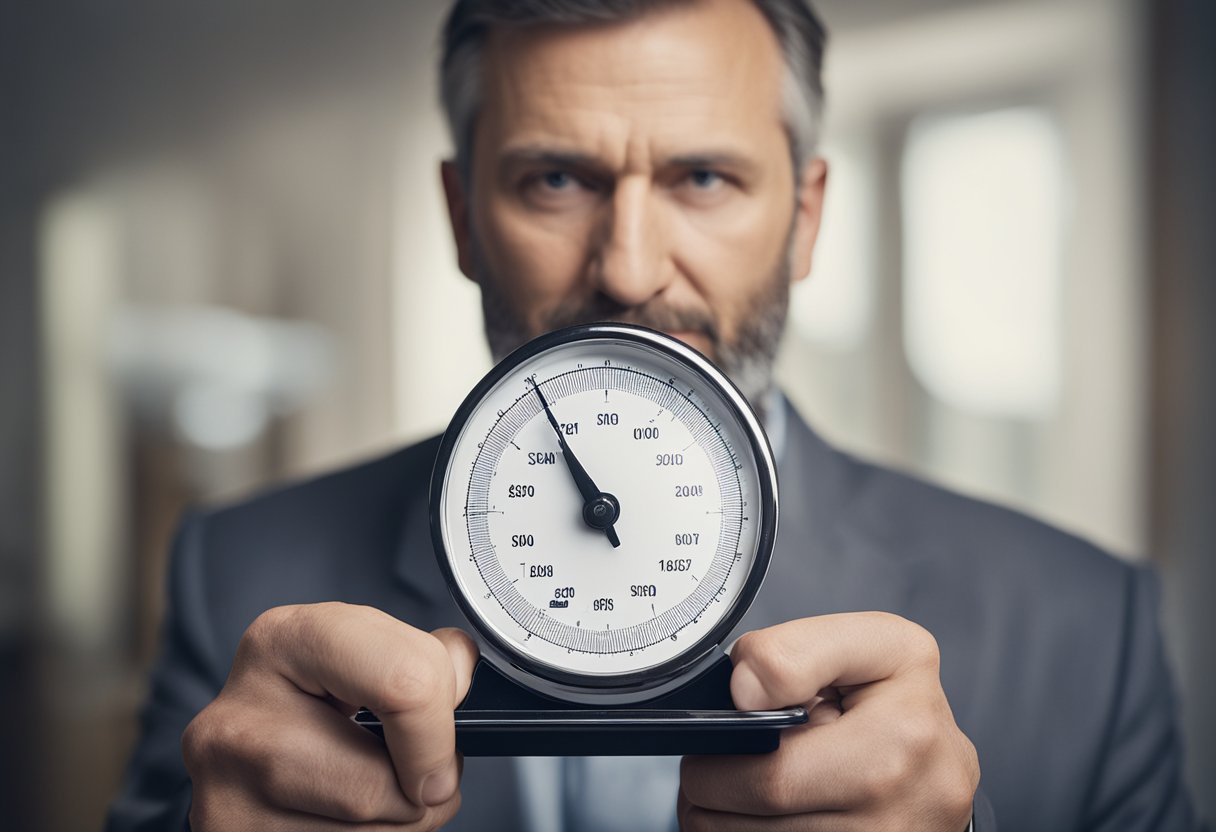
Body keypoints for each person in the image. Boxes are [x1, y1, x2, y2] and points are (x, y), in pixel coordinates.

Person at [107, 1, 1203, 830]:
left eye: (703, 178)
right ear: (461, 217)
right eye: (553, 181)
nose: (629, 270)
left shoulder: (1081, 631)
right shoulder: (237, 574)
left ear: (805, 217)